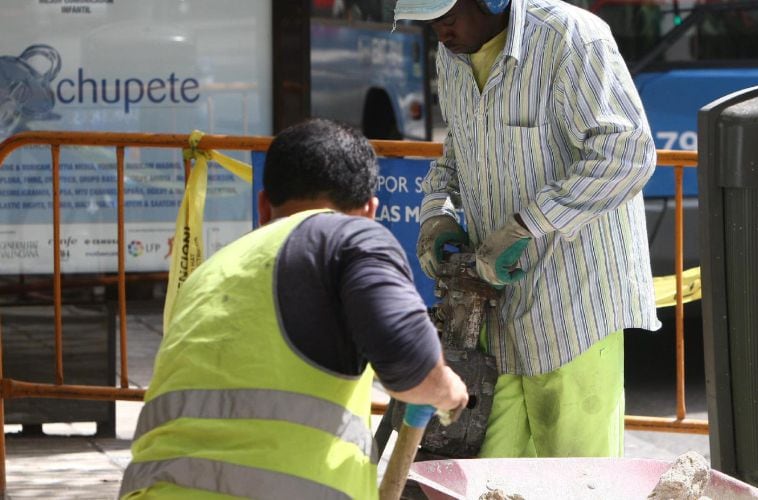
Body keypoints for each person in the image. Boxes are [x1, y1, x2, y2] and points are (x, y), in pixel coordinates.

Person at [119, 118, 469, 499]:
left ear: (264, 205)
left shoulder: (209, 274)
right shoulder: (350, 237)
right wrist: (447, 390)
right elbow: (411, 367)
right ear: (370, 210)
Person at [396, 0, 661, 459]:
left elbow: (628, 154)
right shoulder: (454, 56)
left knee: (579, 479)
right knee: (491, 477)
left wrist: (527, 225)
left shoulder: (571, 38)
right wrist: (436, 212)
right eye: (429, 24)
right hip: (495, 314)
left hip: (577, 306)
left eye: (446, 17)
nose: (440, 33)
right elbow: (456, 149)